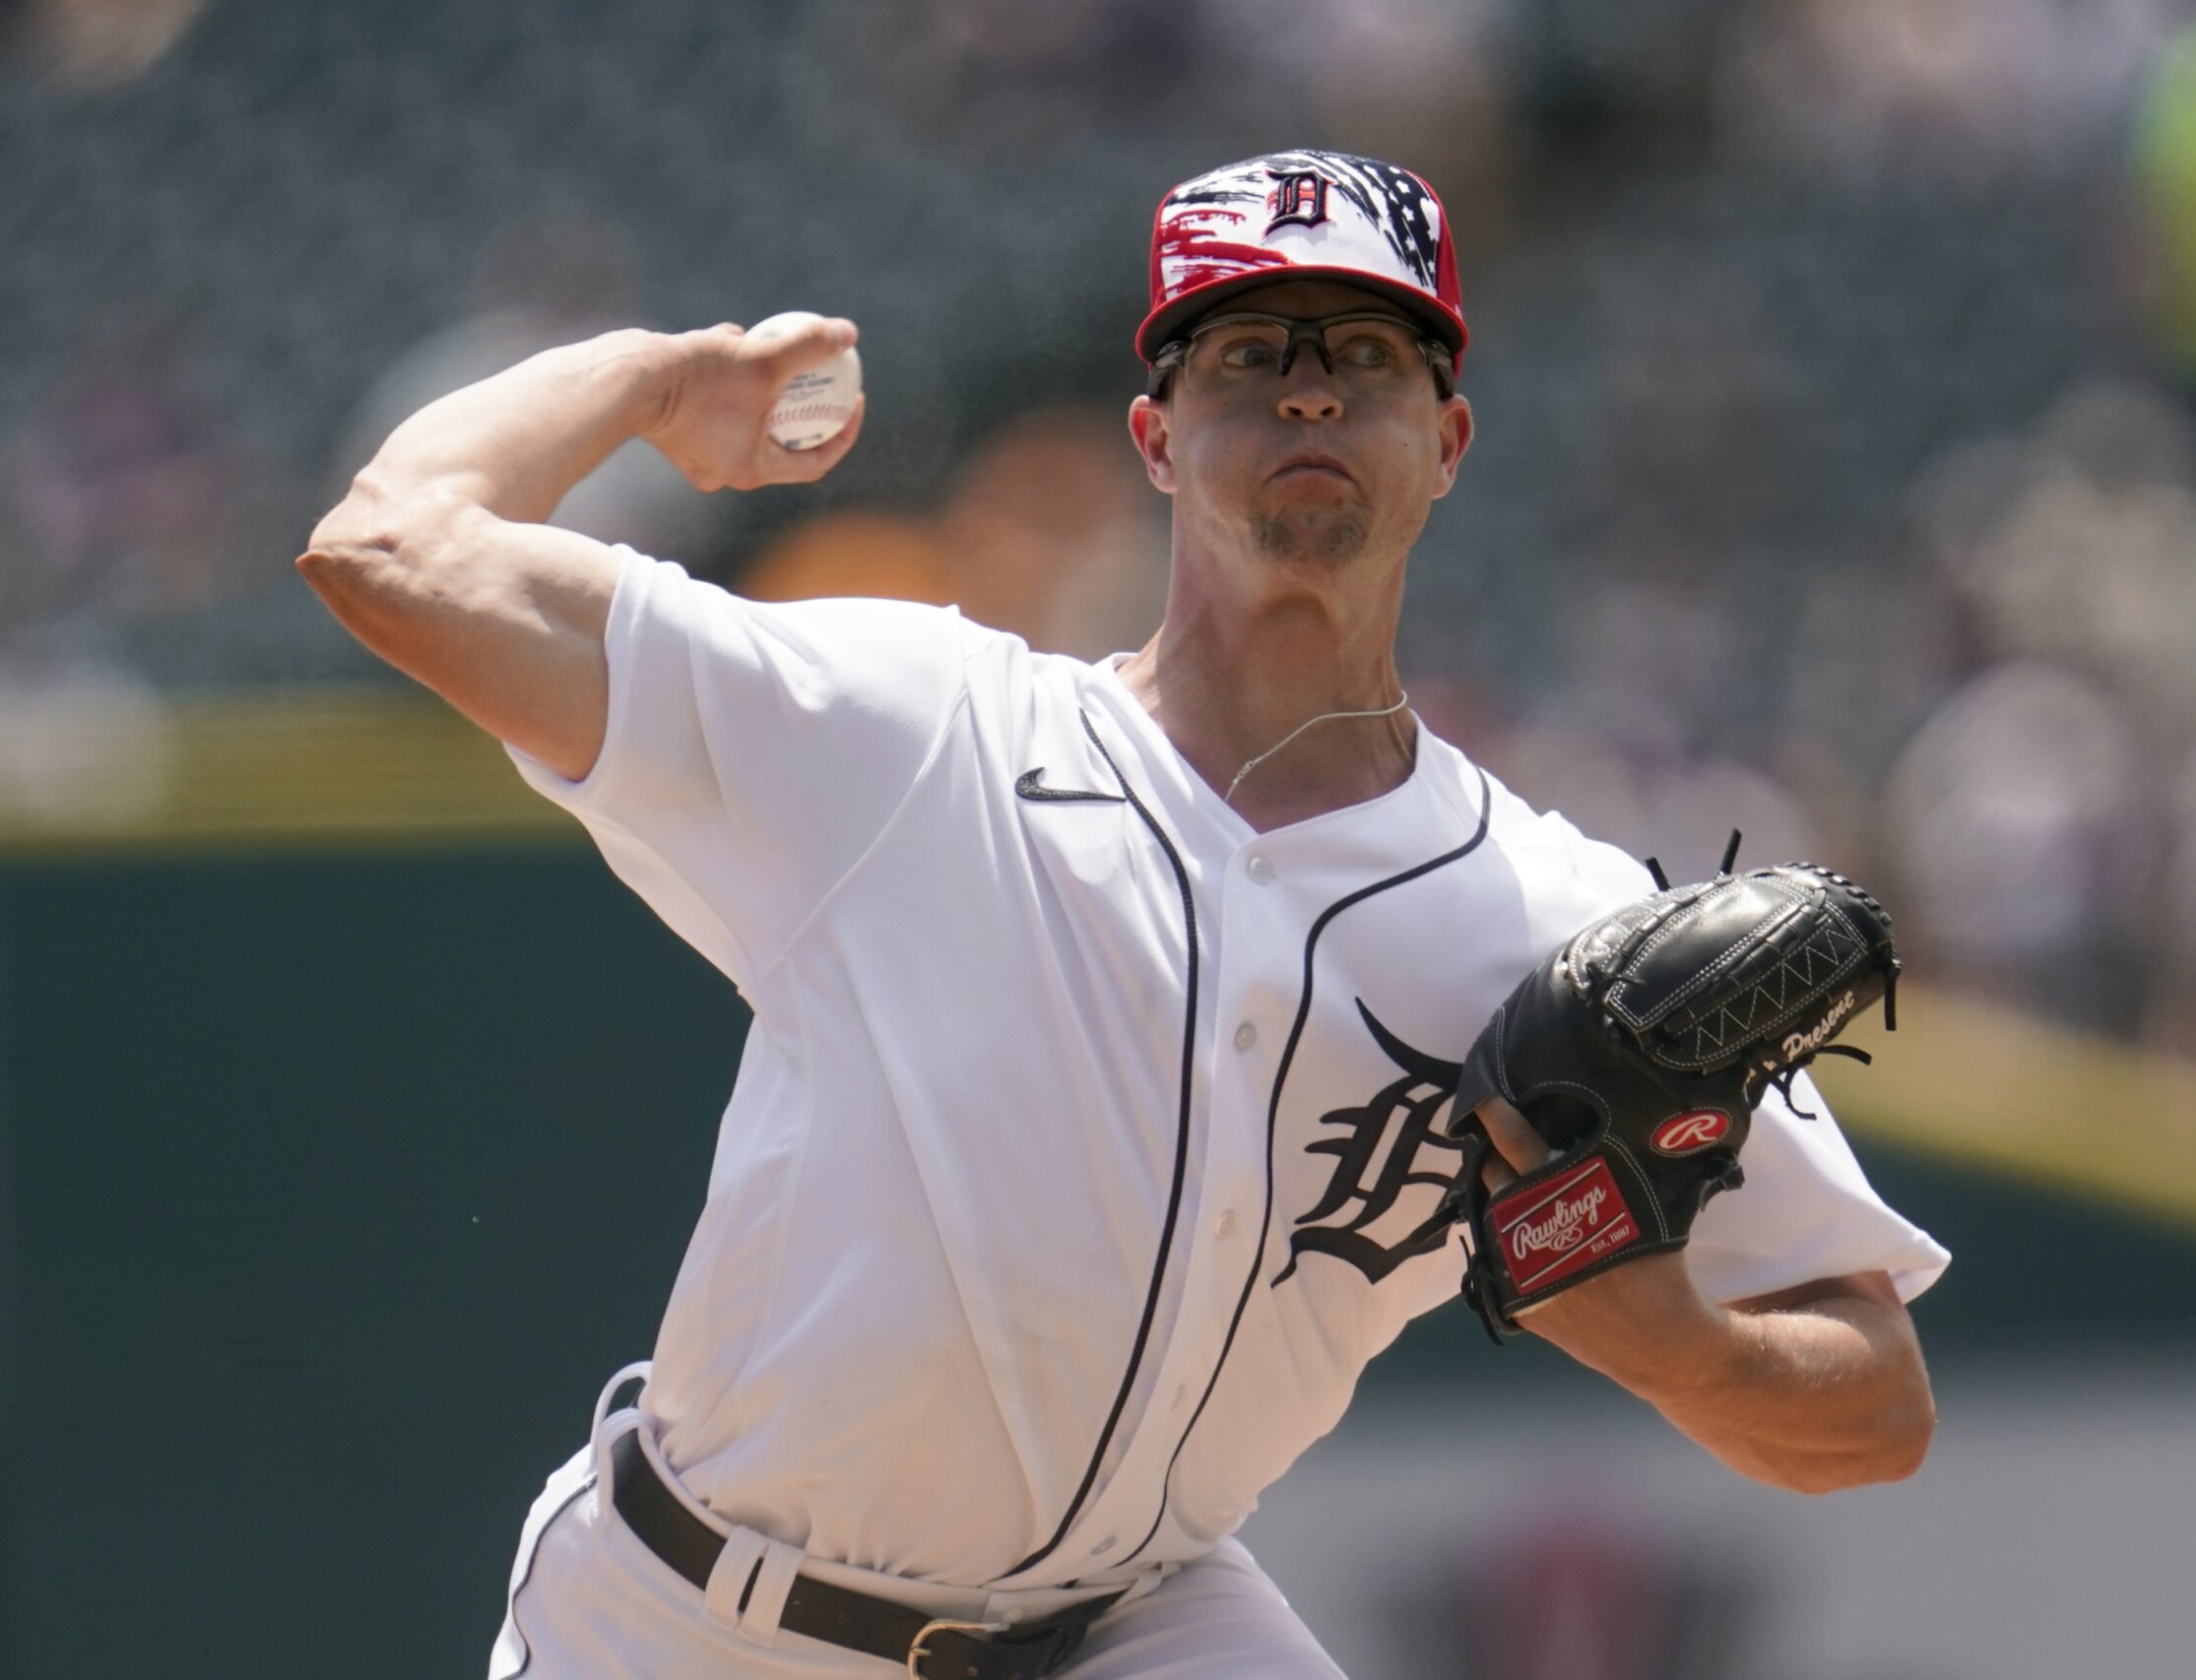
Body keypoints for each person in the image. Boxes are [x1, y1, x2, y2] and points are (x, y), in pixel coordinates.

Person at [299, 150, 1948, 1680]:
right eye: (1245, 352)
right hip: (687, 1621)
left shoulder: (1548, 922)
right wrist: (659, 380)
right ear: (1156, 438)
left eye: (1368, 353)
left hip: (1128, 1625)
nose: (1308, 380)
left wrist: (1681, 1347)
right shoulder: (909, 733)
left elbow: (1875, 1400)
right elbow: (389, 547)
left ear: (1447, 443)